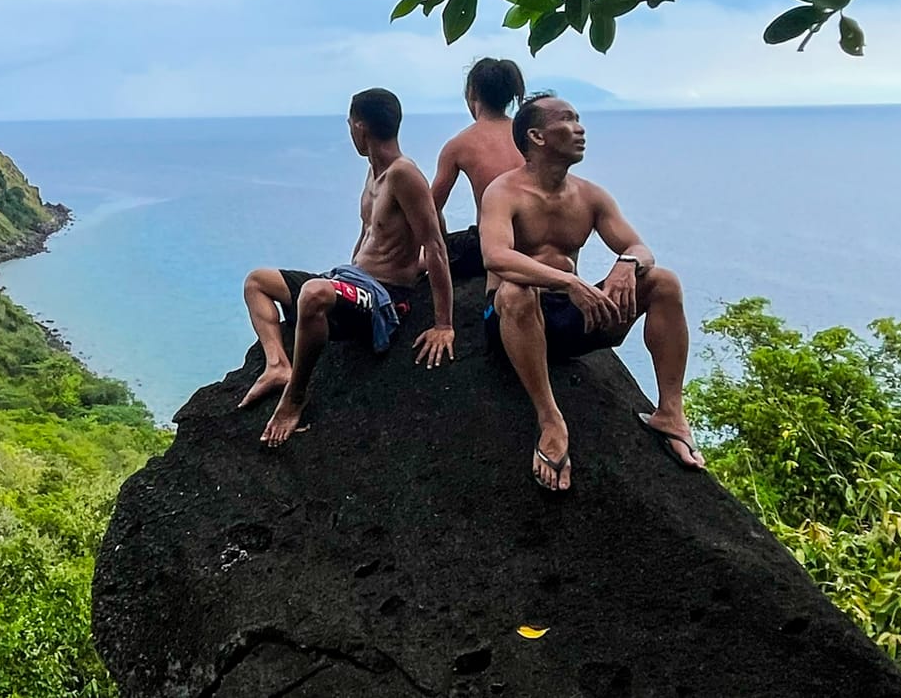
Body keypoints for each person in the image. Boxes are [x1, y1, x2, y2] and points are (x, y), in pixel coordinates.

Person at [479, 94, 704, 492]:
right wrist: (569, 281)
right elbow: (496, 257)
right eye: (567, 119)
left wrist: (627, 265)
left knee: (664, 282)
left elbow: (640, 248)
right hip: (517, 321)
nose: (580, 128)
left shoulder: (590, 195)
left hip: (573, 318)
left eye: (579, 119)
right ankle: (550, 420)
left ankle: (670, 412)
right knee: (516, 291)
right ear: (537, 136)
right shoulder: (503, 192)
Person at [237, 89, 456, 447]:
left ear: (359, 126)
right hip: (351, 282)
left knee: (313, 292)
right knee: (257, 282)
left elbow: (435, 243)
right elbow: (371, 237)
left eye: (350, 125)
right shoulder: (375, 174)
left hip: (384, 296)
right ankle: (277, 364)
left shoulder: (405, 174)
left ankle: (295, 397)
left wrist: (443, 323)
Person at [432, 57, 527, 280]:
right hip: (535, 241)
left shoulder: (459, 145)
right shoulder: (528, 135)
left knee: (421, 260)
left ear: (472, 93)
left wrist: (439, 243)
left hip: (491, 244)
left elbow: (430, 207)